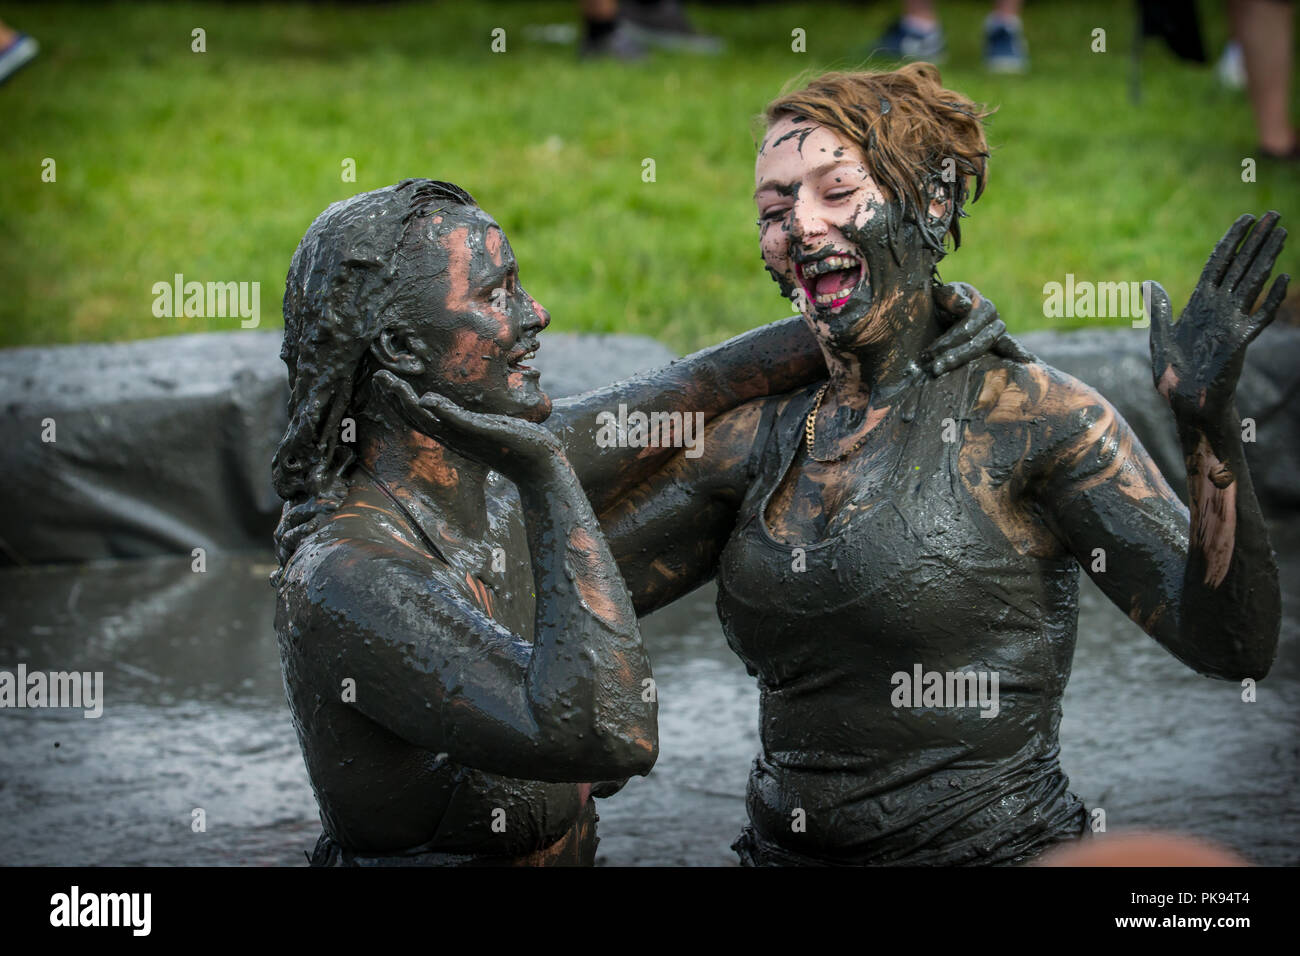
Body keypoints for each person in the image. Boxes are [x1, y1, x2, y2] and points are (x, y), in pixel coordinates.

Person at [598, 63, 1286, 865]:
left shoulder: (1036, 422)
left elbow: (1231, 645)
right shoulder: (757, 439)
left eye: (836, 190)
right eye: (776, 208)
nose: (803, 226)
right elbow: (577, 589)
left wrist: (1209, 430)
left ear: (930, 201)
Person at [272, 178, 1009, 865]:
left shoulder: (478, 481)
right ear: (401, 348)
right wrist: (547, 477)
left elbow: (703, 385)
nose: (536, 315)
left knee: (736, 453)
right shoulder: (349, 580)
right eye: (498, 296)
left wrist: (904, 319)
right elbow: (610, 732)